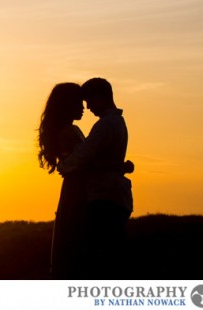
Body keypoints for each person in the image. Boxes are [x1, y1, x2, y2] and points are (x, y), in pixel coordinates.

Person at [58, 78, 133, 278]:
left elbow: (82, 156)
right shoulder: (117, 122)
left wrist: (63, 165)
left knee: (102, 258)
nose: (88, 107)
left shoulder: (105, 125)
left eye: (89, 101)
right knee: (110, 256)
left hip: (105, 197)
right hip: (114, 195)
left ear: (101, 97)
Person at [38, 82, 89, 279]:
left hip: (73, 189)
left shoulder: (69, 130)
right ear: (68, 104)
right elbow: (81, 163)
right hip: (77, 190)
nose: (83, 108)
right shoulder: (68, 132)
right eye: (79, 103)